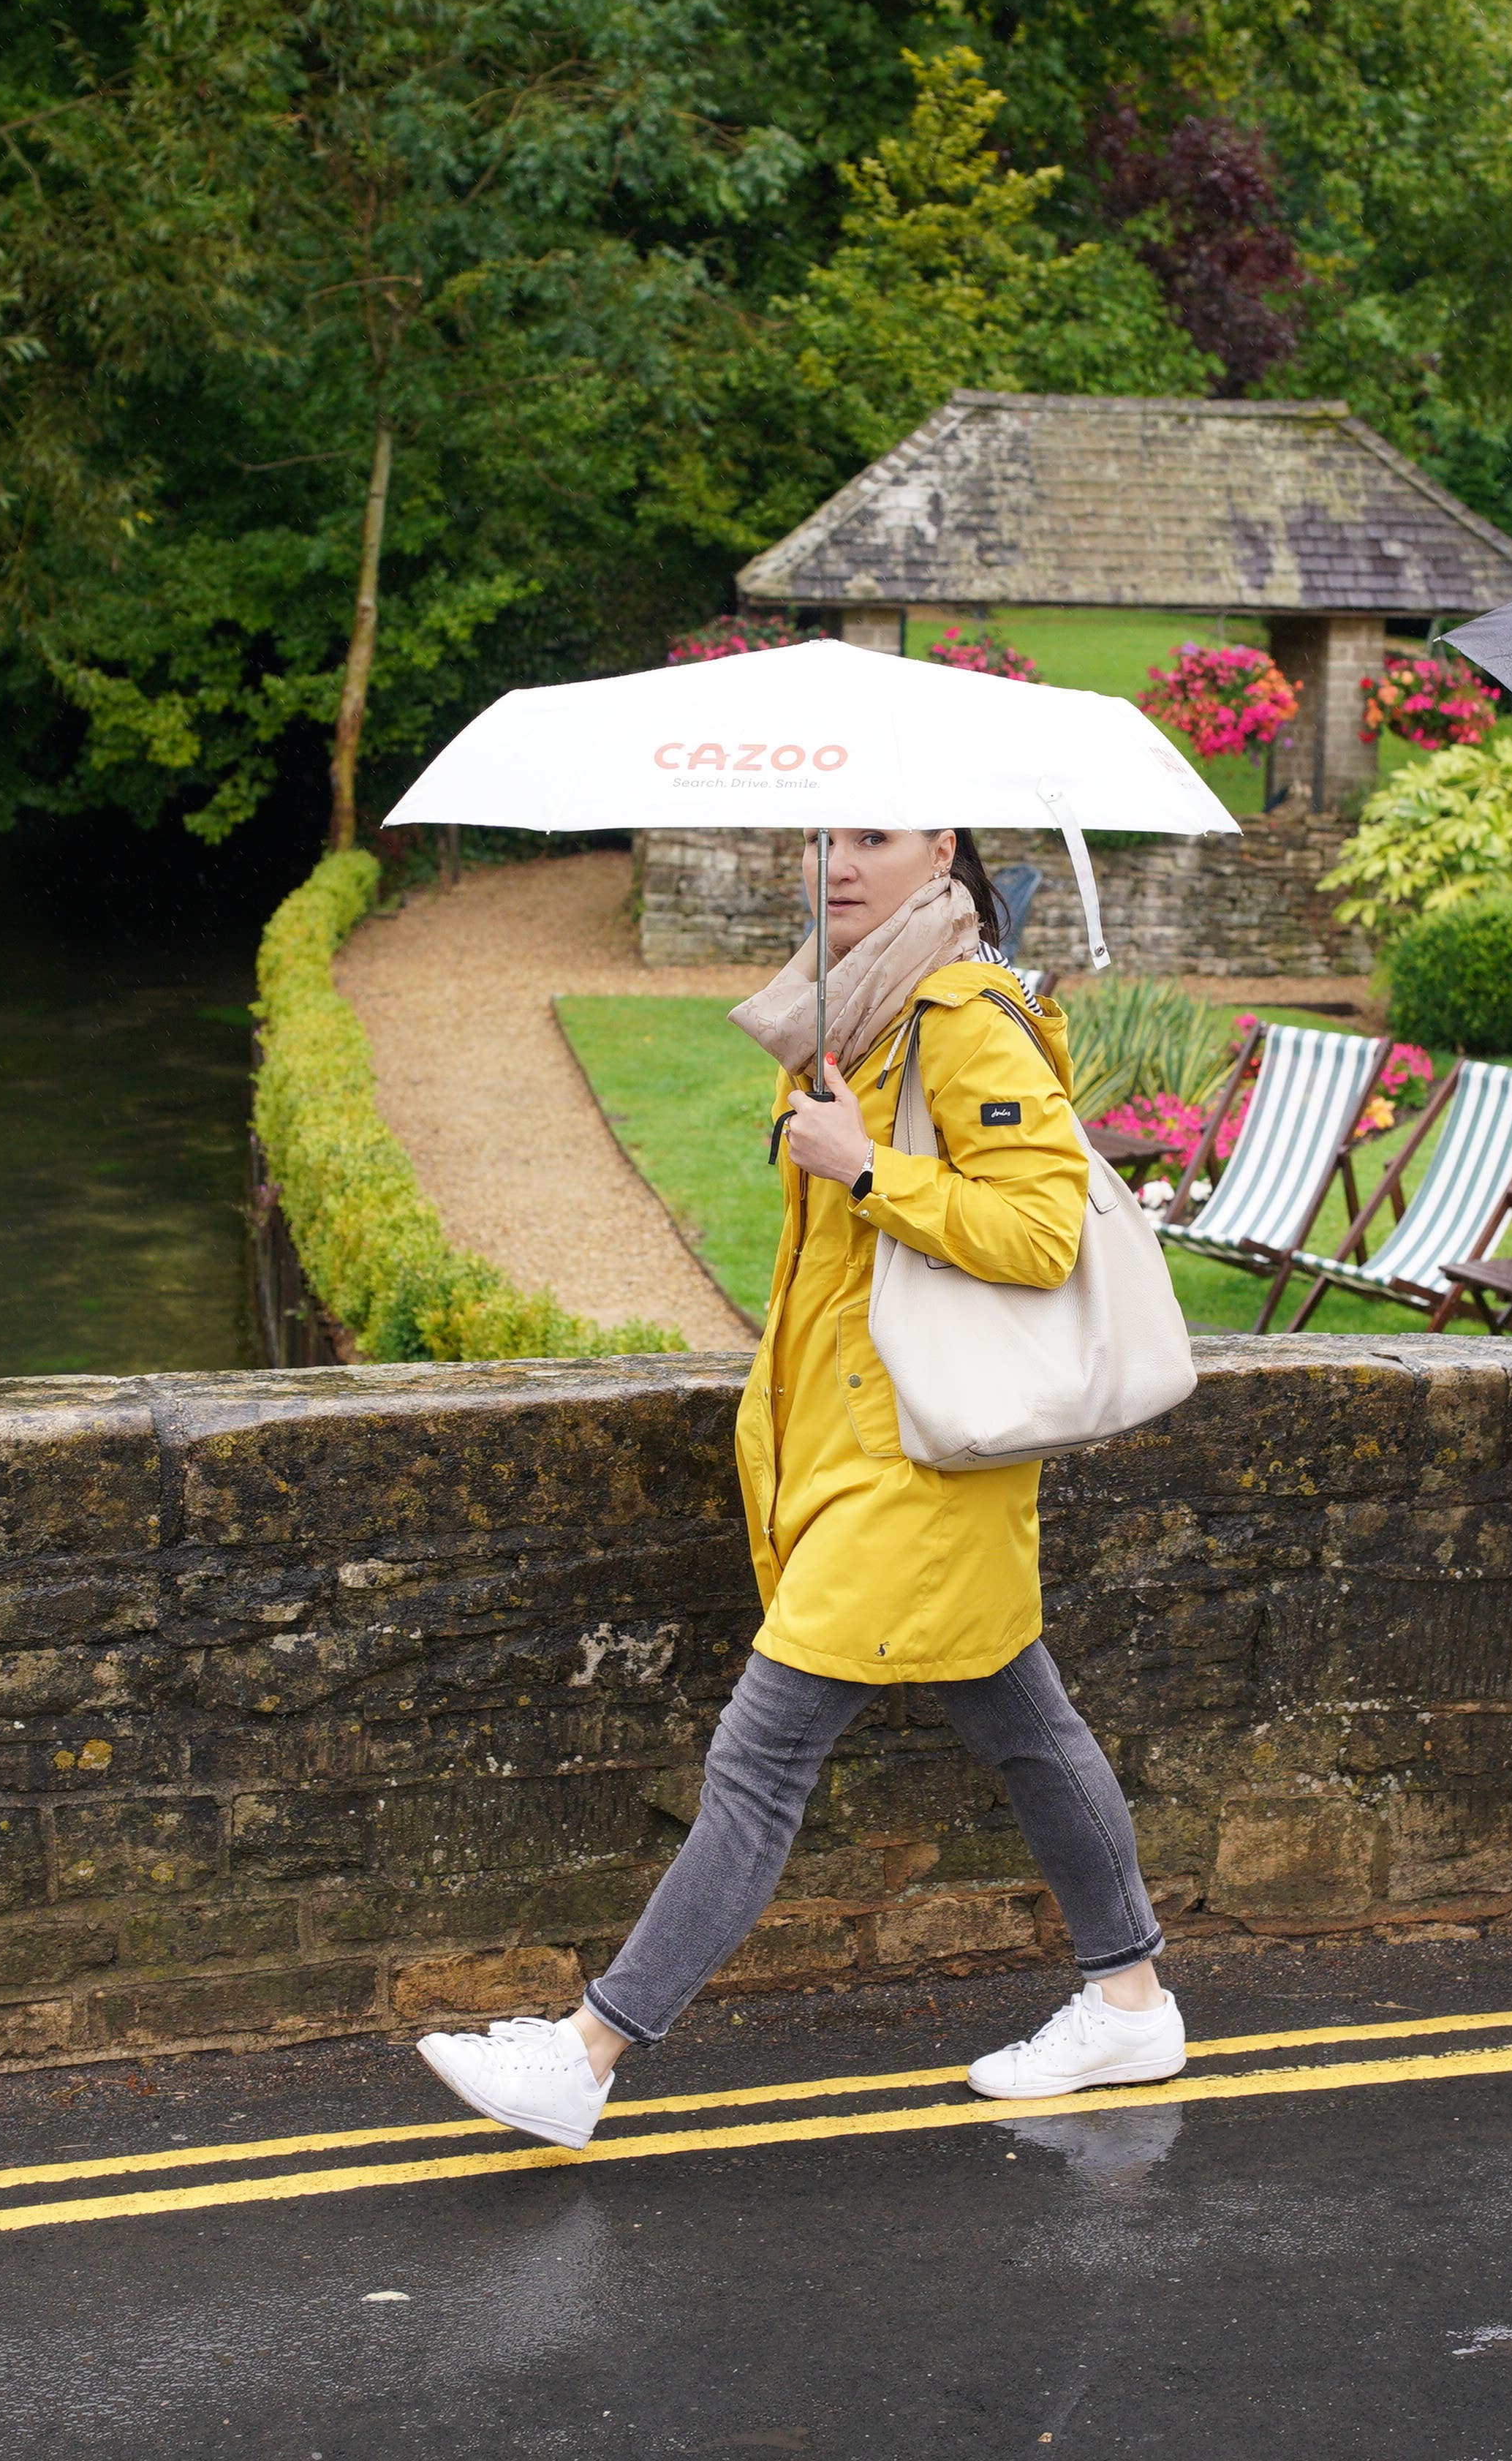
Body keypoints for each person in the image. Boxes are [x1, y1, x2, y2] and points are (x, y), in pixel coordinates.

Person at [413, 824, 1183, 2147]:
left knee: (760, 1757)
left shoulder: (964, 1013)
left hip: (920, 1463)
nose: (836, 861)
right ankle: (1130, 1997)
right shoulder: (855, 1004)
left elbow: (1043, 1229)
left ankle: (589, 2054)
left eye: (872, 837)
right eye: (823, 836)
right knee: (1023, 1723)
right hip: (857, 1448)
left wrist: (873, 1166)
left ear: (937, 842)